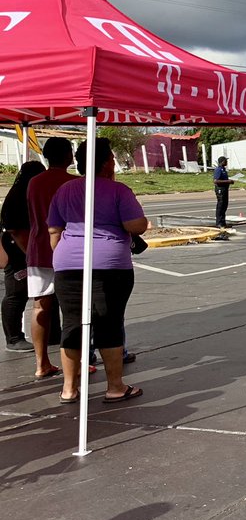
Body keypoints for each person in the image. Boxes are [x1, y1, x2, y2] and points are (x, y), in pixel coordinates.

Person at [48, 137, 148, 405]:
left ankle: (69, 388)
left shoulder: (65, 190)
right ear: (106, 162)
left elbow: (54, 230)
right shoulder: (118, 191)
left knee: (71, 324)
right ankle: (115, 386)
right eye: (112, 158)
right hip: (109, 265)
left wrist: (63, 255)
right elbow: (137, 225)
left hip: (67, 264)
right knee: (109, 323)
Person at [24, 136, 76, 379]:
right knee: (73, 310)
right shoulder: (75, 183)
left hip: (37, 249)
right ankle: (75, 361)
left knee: (39, 306)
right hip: (68, 250)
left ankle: (41, 362)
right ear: (68, 156)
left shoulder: (34, 182)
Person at [1, 160, 45, 353]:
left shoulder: (25, 193)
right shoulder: (18, 197)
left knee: (44, 293)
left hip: (26, 247)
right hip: (17, 249)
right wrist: (29, 253)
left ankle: (50, 333)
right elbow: (15, 231)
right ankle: (13, 338)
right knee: (16, 293)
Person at [212, 156, 231, 229]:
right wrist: (228, 181)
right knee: (220, 206)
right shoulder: (218, 170)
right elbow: (216, 181)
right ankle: (219, 223)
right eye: (225, 161)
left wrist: (228, 181)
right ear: (222, 161)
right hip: (220, 189)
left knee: (224, 206)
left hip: (225, 189)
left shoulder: (224, 169)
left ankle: (223, 222)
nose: (226, 162)